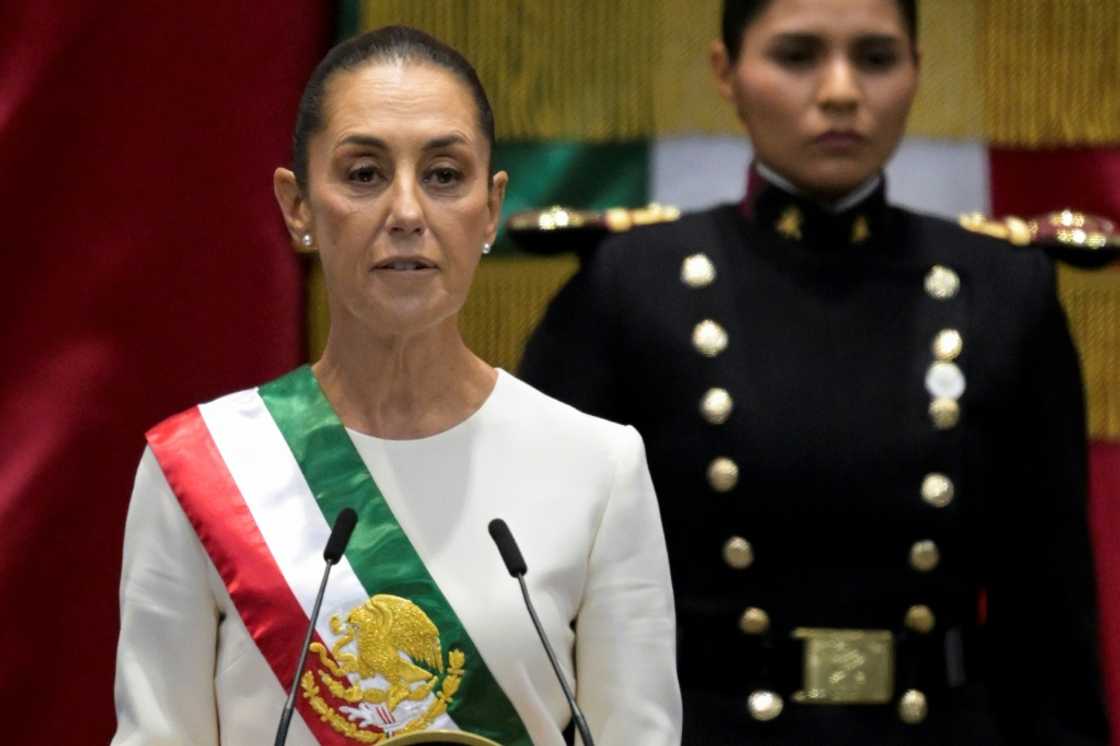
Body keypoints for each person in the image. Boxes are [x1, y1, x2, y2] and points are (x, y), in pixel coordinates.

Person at [519, 0, 1109, 744]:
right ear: (725, 73)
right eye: (797, 57)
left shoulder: (1003, 291)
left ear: (916, 72)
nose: (839, 90)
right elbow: (546, 596)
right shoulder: (630, 286)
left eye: (875, 57)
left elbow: (1049, 617)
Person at [111, 26, 681, 746]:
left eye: (444, 174)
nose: (407, 213)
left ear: (492, 207)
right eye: (363, 174)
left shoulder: (601, 467)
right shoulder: (195, 468)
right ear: (297, 207)